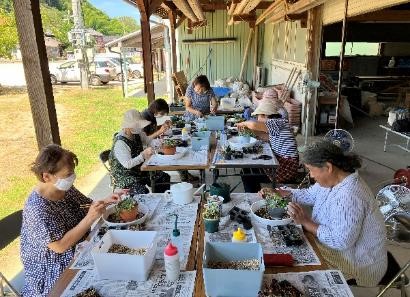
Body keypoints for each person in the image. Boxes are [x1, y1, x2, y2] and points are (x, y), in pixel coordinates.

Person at [260, 141, 387, 286]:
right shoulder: (336, 178)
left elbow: (341, 241)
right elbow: (310, 194)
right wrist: (282, 193)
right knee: (277, 247)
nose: (311, 176)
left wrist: (306, 222)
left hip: (355, 262)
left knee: (288, 266)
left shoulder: (350, 195)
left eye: (311, 170)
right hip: (332, 246)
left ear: (328, 167)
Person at [20, 144, 121, 297]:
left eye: (72, 172)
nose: (72, 177)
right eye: (68, 174)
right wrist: (89, 218)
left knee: (117, 261)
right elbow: (60, 247)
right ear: (46, 176)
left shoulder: (62, 188)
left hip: (80, 247)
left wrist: (106, 201)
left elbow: (86, 205)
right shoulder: (37, 209)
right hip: (53, 267)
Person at [236, 99, 299, 192]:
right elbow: (265, 136)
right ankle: (255, 194)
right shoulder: (279, 123)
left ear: (264, 115)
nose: (257, 119)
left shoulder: (275, 123)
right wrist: (253, 133)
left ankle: (253, 197)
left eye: (258, 117)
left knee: (247, 173)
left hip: (286, 167)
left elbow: (253, 125)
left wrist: (243, 123)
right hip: (287, 163)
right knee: (247, 169)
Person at [109, 109, 170, 193]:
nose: (139, 127)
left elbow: (147, 140)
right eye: (136, 124)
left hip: (138, 170)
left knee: (163, 178)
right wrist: (143, 155)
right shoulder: (120, 142)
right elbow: (128, 164)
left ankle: (161, 200)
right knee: (142, 191)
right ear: (128, 126)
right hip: (125, 176)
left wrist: (159, 138)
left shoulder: (136, 133)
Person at [141, 99, 199, 182]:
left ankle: (184, 174)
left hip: (154, 143)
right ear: (156, 110)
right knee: (173, 150)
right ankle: (184, 175)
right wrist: (160, 131)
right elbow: (144, 140)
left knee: (177, 146)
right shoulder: (145, 118)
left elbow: (154, 131)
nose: (162, 115)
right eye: (162, 113)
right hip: (146, 148)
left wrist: (163, 125)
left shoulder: (152, 115)